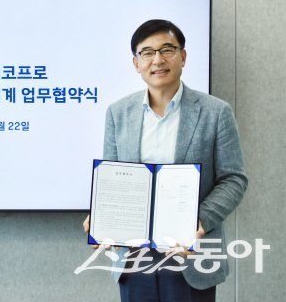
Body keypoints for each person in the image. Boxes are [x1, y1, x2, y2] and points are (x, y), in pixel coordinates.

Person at [83, 19, 248, 301]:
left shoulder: (216, 112)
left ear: (182, 57)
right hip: (134, 258)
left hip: (192, 256)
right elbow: (112, 178)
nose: (157, 60)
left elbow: (233, 179)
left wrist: (199, 221)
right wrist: (101, 218)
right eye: (147, 52)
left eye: (167, 50)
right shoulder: (118, 113)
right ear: (136, 63)